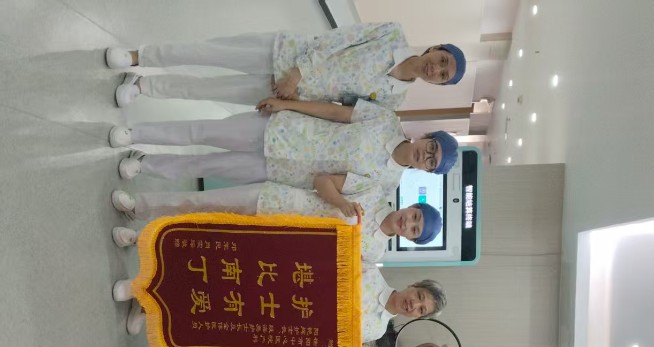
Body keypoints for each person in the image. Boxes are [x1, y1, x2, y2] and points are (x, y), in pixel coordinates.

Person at [108, 99, 459, 205]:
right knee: (205, 130)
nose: (425, 156)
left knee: (207, 165)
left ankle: (144, 164)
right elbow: (334, 112)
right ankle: (135, 134)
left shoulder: (385, 185)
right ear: (426, 137)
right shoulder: (385, 120)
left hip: (281, 172)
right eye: (431, 148)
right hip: (284, 129)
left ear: (426, 171)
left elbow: (333, 189)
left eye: (432, 162)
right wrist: (288, 104)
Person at [106, 23, 466, 110]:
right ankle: (139, 57)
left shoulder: (393, 100)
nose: (436, 69)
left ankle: (141, 86)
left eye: (443, 75)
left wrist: (290, 99)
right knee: (207, 53)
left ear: (438, 84)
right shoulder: (392, 35)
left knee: (208, 91)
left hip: (289, 92)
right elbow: (340, 39)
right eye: (442, 60)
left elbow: (338, 108)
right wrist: (298, 71)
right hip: (286, 53)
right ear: (436, 48)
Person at [111, 173, 443, 265]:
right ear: (412, 206)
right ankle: (138, 206)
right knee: (202, 203)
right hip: (278, 201)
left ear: (410, 239)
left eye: (415, 230)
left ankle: (139, 239)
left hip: (276, 243)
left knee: (206, 239)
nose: (408, 223)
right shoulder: (372, 191)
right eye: (415, 216)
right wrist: (341, 203)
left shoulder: (374, 252)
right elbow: (321, 181)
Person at [110, 269, 445, 344]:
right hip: (282, 285)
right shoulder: (370, 270)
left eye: (420, 309)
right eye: (418, 296)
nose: (413, 304)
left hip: (281, 319)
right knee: (214, 283)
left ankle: (151, 308)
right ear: (413, 286)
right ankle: (143, 285)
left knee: (214, 311)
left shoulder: (375, 330)